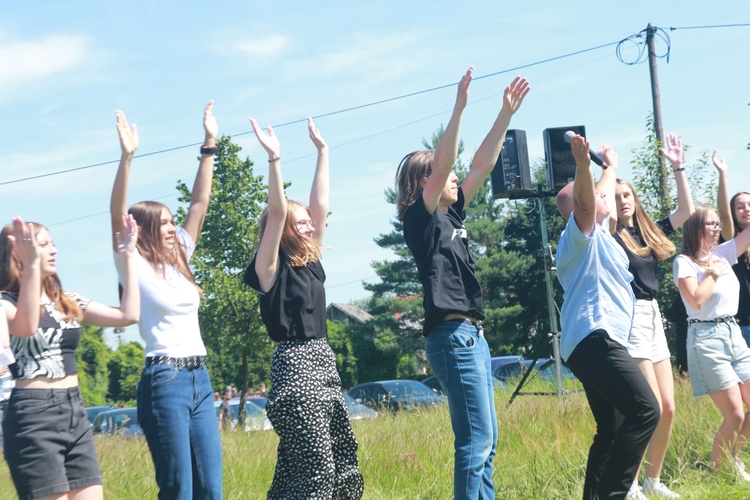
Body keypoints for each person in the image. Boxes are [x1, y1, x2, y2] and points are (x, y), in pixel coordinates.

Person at [396, 67, 529, 499]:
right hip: (454, 336)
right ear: (424, 183)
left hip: (472, 336)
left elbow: (481, 164)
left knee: (486, 445)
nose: (454, 179)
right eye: (442, 175)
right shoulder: (421, 219)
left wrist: (504, 115)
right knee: (476, 442)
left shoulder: (451, 215)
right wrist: (459, 108)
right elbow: (449, 164)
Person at [244, 116, 363, 499]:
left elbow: (321, 205)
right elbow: (277, 212)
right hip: (295, 370)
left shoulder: (310, 261)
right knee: (318, 467)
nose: (310, 226)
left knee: (341, 460)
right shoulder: (269, 268)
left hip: (324, 364)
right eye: (302, 224)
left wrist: (323, 152)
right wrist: (274, 160)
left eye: (309, 223)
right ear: (284, 231)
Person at [111, 102, 222, 499]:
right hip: (164, 379)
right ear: (142, 232)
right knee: (179, 489)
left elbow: (199, 204)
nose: (174, 229)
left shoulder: (180, 259)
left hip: (200, 379)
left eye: (173, 223)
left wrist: (208, 145)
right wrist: (127, 158)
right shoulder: (133, 264)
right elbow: (115, 212)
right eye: (164, 225)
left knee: (211, 490)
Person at [0, 215, 140, 500]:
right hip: (33, 416)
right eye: (44, 245)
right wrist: (32, 267)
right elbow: (27, 327)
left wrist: (128, 258)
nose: (54, 250)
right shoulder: (4, 304)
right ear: (19, 253)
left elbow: (128, 315)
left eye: (53, 244)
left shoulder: (67, 301)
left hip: (75, 410)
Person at [556, 135, 660, 500]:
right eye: (602, 195)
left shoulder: (600, 233)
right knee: (647, 410)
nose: (608, 197)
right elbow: (586, 201)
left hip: (590, 342)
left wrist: (609, 166)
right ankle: (615, 495)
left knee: (612, 428)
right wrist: (583, 164)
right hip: (594, 336)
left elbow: (598, 202)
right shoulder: (580, 235)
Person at [614, 133, 693, 499]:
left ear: (635, 198)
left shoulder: (646, 230)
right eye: (615, 198)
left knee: (670, 407)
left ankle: (652, 480)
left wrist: (678, 167)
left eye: (626, 195)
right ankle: (627, 484)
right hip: (628, 318)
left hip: (653, 316)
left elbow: (685, 212)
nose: (623, 201)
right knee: (650, 406)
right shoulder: (608, 236)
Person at [673, 203, 750, 478]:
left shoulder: (723, 253)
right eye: (711, 223)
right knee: (735, 415)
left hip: (733, 333)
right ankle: (719, 474)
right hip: (705, 337)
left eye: (718, 223)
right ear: (695, 227)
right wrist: (714, 273)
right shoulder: (684, 263)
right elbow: (695, 300)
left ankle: (731, 459)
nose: (717, 228)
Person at [716, 150, 750, 348]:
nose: (746, 209)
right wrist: (723, 175)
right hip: (743, 325)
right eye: (740, 206)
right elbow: (723, 213)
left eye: (749, 205)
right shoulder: (731, 241)